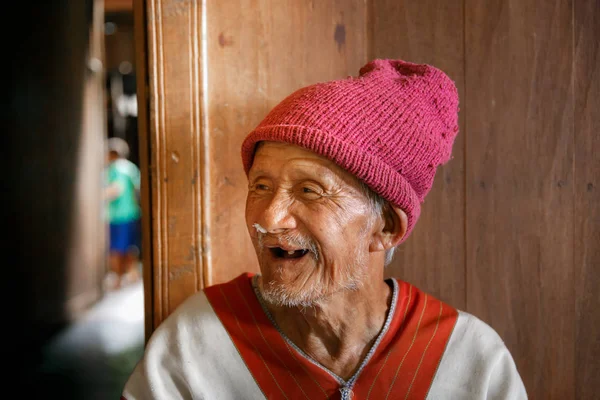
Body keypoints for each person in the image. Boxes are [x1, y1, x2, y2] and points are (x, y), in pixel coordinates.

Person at [121, 59, 527, 399]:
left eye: (309, 190)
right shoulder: (197, 342)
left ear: (385, 226)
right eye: (261, 187)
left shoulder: (469, 358)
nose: (270, 218)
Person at [104, 136, 142, 290]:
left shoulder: (115, 169)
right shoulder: (130, 167)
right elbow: (137, 188)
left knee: (116, 249)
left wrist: (97, 195)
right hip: (132, 213)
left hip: (118, 216)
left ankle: (118, 279)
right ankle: (133, 274)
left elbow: (116, 189)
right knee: (131, 246)